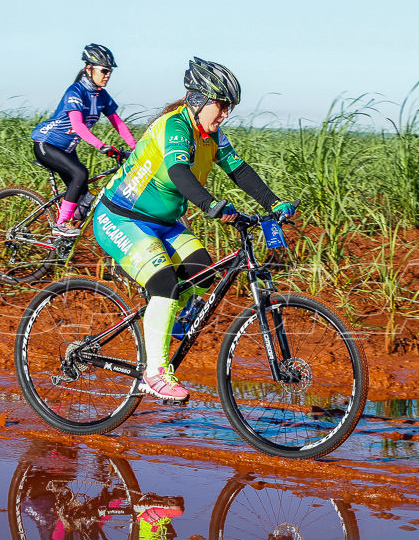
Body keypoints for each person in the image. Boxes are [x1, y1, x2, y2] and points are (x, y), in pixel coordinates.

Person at [93, 57, 295, 401]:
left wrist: (273, 202)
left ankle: (166, 318)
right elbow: (179, 173)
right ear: (199, 99)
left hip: (164, 223)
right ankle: (155, 372)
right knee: (165, 285)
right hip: (120, 218)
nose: (226, 114)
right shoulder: (175, 126)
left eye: (229, 107)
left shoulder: (212, 135)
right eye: (222, 105)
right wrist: (212, 205)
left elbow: (239, 170)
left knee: (202, 271)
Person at [31, 43, 137, 238]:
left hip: (67, 150)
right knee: (80, 173)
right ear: (88, 69)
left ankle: (62, 245)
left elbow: (118, 123)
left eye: (110, 72)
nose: (107, 75)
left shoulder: (101, 96)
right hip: (47, 144)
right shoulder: (76, 91)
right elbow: (78, 126)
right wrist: (102, 146)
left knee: (84, 195)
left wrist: (137, 148)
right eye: (104, 70)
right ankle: (60, 225)